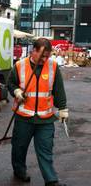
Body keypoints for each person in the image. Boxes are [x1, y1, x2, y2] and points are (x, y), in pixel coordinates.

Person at [7, 38, 68, 186]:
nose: (45, 59)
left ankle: (51, 180)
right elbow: (10, 83)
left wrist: (63, 109)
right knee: (19, 148)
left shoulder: (53, 66)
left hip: (45, 118)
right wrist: (16, 91)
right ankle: (19, 170)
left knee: (46, 150)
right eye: (42, 55)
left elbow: (58, 89)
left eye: (47, 56)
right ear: (33, 51)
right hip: (24, 117)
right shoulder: (20, 65)